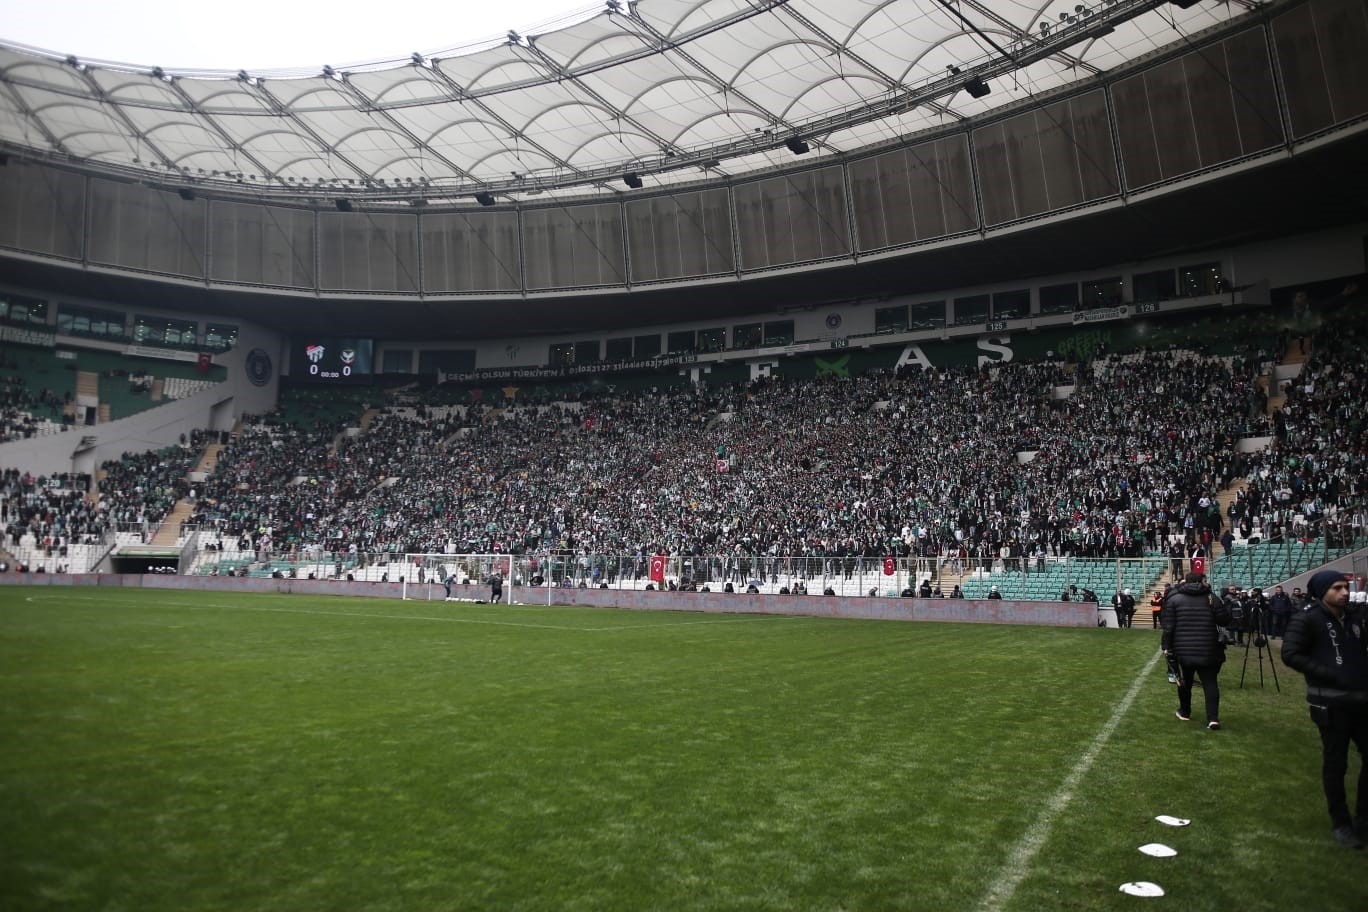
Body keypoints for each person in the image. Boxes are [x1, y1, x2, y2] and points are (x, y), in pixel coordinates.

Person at [1281, 570, 1368, 849]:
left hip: (1360, 699)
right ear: (1322, 592)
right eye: (1337, 588)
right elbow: (1291, 654)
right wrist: (1328, 673)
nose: (1344, 592)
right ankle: (1341, 822)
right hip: (1330, 702)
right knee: (1336, 763)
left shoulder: (1353, 618)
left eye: (1346, 587)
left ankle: (1364, 819)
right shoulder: (1307, 619)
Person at [1161, 571, 1232, 730]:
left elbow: (1168, 627)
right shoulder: (1211, 598)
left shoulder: (1175, 599)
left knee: (1185, 681)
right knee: (1210, 683)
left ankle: (1185, 712)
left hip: (1184, 649)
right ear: (1202, 582)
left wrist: (1166, 646)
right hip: (1208, 648)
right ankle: (1213, 718)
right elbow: (1225, 620)